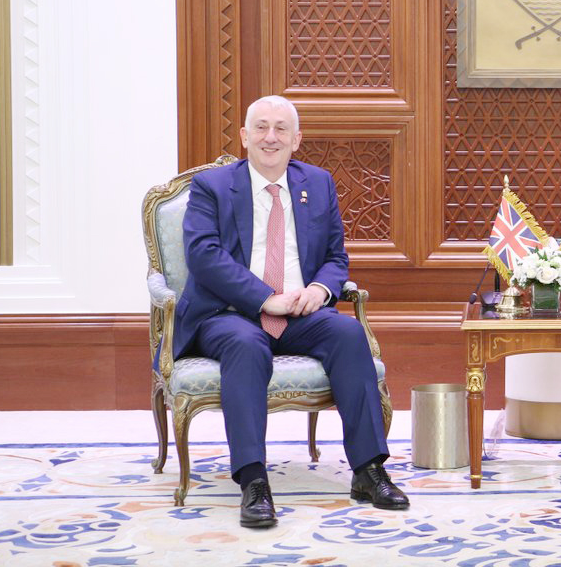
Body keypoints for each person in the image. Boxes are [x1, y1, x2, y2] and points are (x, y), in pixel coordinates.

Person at [175, 95, 408, 528]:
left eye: (281, 129)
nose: (270, 137)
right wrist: (265, 298)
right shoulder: (212, 186)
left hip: (300, 312)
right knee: (246, 347)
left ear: (297, 139)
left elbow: (337, 257)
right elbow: (204, 256)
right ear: (244, 136)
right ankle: (253, 480)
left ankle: (369, 470)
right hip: (229, 313)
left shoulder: (317, 183)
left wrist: (320, 289)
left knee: (348, 335)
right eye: (261, 127)